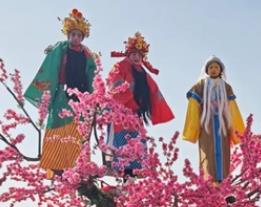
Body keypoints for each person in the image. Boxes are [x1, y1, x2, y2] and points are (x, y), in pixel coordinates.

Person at [24, 9, 96, 178]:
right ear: (68, 35)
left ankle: (78, 167)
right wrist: (51, 52)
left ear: (83, 37)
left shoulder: (88, 55)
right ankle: (56, 165)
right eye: (73, 34)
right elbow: (52, 66)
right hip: (62, 95)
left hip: (82, 98)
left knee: (79, 130)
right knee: (57, 124)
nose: (76, 38)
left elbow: (92, 76)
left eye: (79, 35)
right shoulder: (60, 49)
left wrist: (93, 97)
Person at [108, 32, 174, 173]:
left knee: (138, 146)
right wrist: (129, 88)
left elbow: (154, 90)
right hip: (121, 113)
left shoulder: (142, 72)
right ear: (128, 54)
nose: (136, 57)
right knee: (122, 145)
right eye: (133, 54)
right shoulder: (119, 66)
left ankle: (133, 176)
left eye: (139, 55)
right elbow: (115, 88)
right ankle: (124, 175)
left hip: (136, 114)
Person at [183, 56, 245, 182]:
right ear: (207, 70)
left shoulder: (226, 87)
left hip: (223, 125)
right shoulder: (201, 85)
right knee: (208, 151)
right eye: (211, 67)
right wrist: (193, 127)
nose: (213, 69)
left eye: (216, 67)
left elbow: (233, 109)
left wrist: (238, 132)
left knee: (223, 152)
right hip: (207, 124)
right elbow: (193, 103)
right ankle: (208, 181)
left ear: (220, 70)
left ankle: (223, 182)